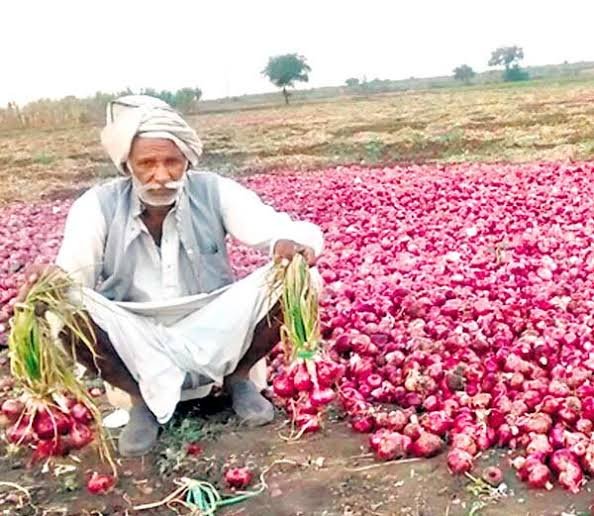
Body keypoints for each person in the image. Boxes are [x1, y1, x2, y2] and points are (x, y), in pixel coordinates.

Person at [16, 95, 324, 457]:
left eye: (172, 162)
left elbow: (291, 232)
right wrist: (49, 282)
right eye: (147, 163)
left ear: (187, 161)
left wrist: (289, 244)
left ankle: (237, 378)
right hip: (133, 328)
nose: (161, 176)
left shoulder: (215, 191)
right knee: (57, 306)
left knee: (303, 278)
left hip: (213, 320)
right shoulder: (96, 206)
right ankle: (139, 399)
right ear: (126, 164)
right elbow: (71, 278)